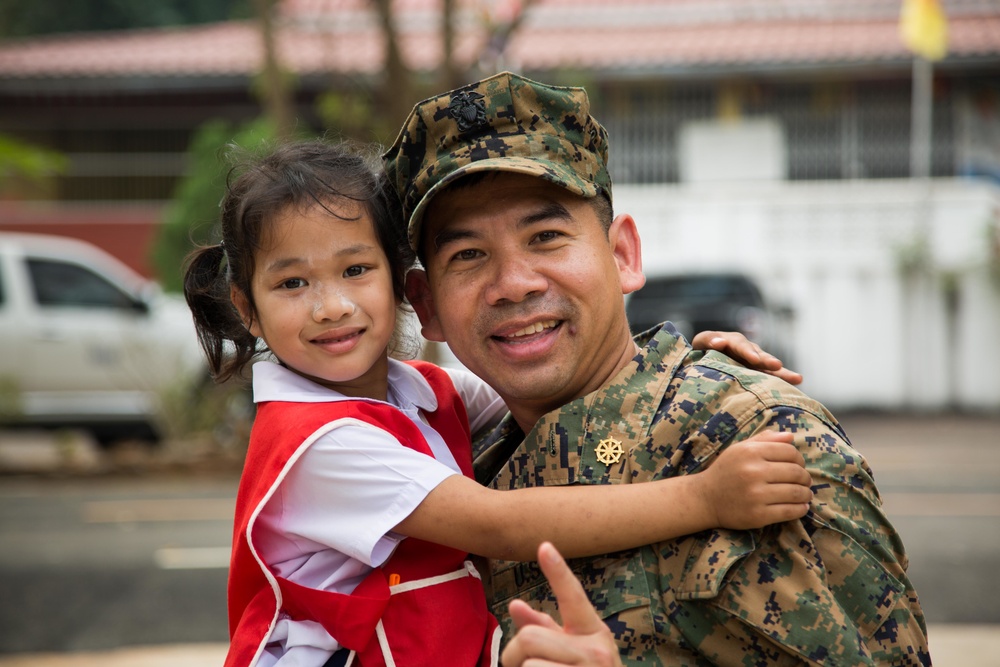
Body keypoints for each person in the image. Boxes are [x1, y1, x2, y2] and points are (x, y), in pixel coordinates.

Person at [182, 140, 813, 667]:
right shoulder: (317, 444)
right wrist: (705, 498)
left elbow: (567, 381)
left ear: (399, 287)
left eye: (355, 270)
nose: (331, 306)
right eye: (292, 283)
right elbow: (500, 525)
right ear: (248, 309)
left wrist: (694, 363)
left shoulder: (421, 391)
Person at [385, 72, 930, 665]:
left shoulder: (751, 438)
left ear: (623, 256)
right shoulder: (442, 482)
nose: (513, 285)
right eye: (468, 255)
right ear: (428, 305)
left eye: (545, 236)